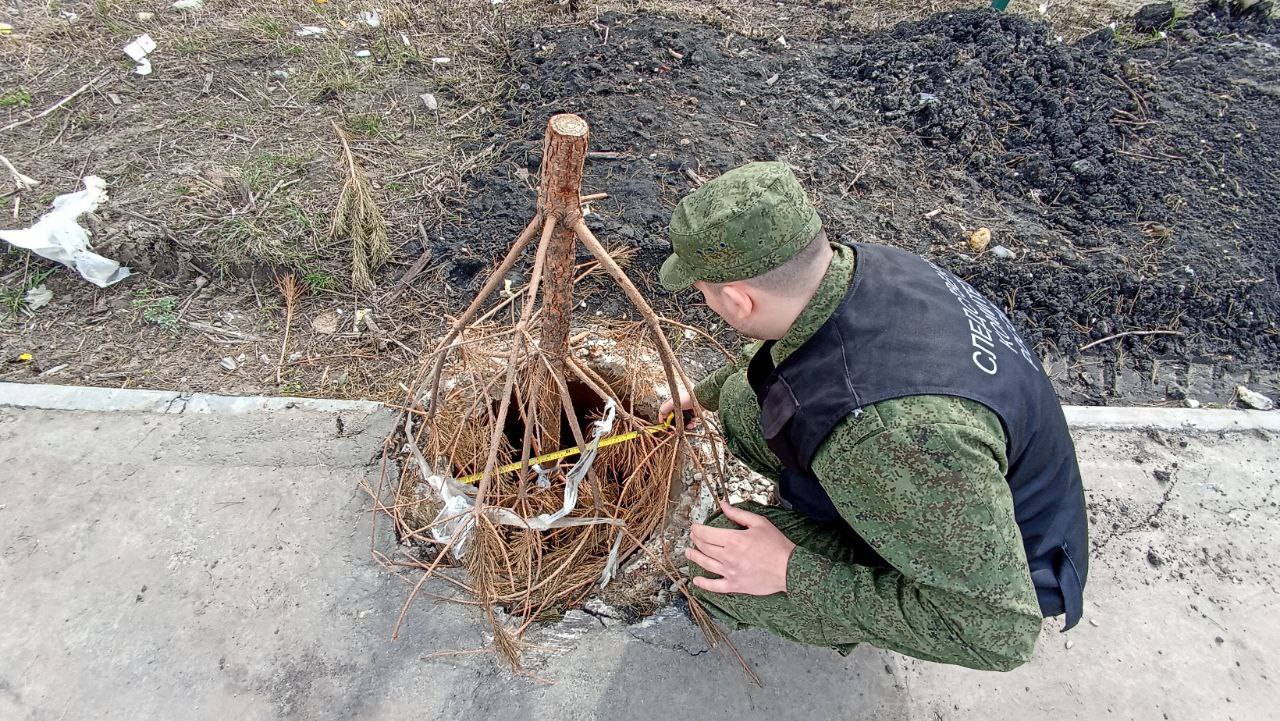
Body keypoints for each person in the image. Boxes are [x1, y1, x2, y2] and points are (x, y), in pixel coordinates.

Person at [657, 161, 1088, 671]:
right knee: (738, 400)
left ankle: (818, 556)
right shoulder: (868, 268)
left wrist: (791, 570)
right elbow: (800, 346)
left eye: (704, 296)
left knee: (710, 565)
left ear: (737, 300)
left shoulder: (884, 437)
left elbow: (998, 636)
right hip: (954, 481)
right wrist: (706, 394)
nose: (706, 304)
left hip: (993, 572)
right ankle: (851, 515)